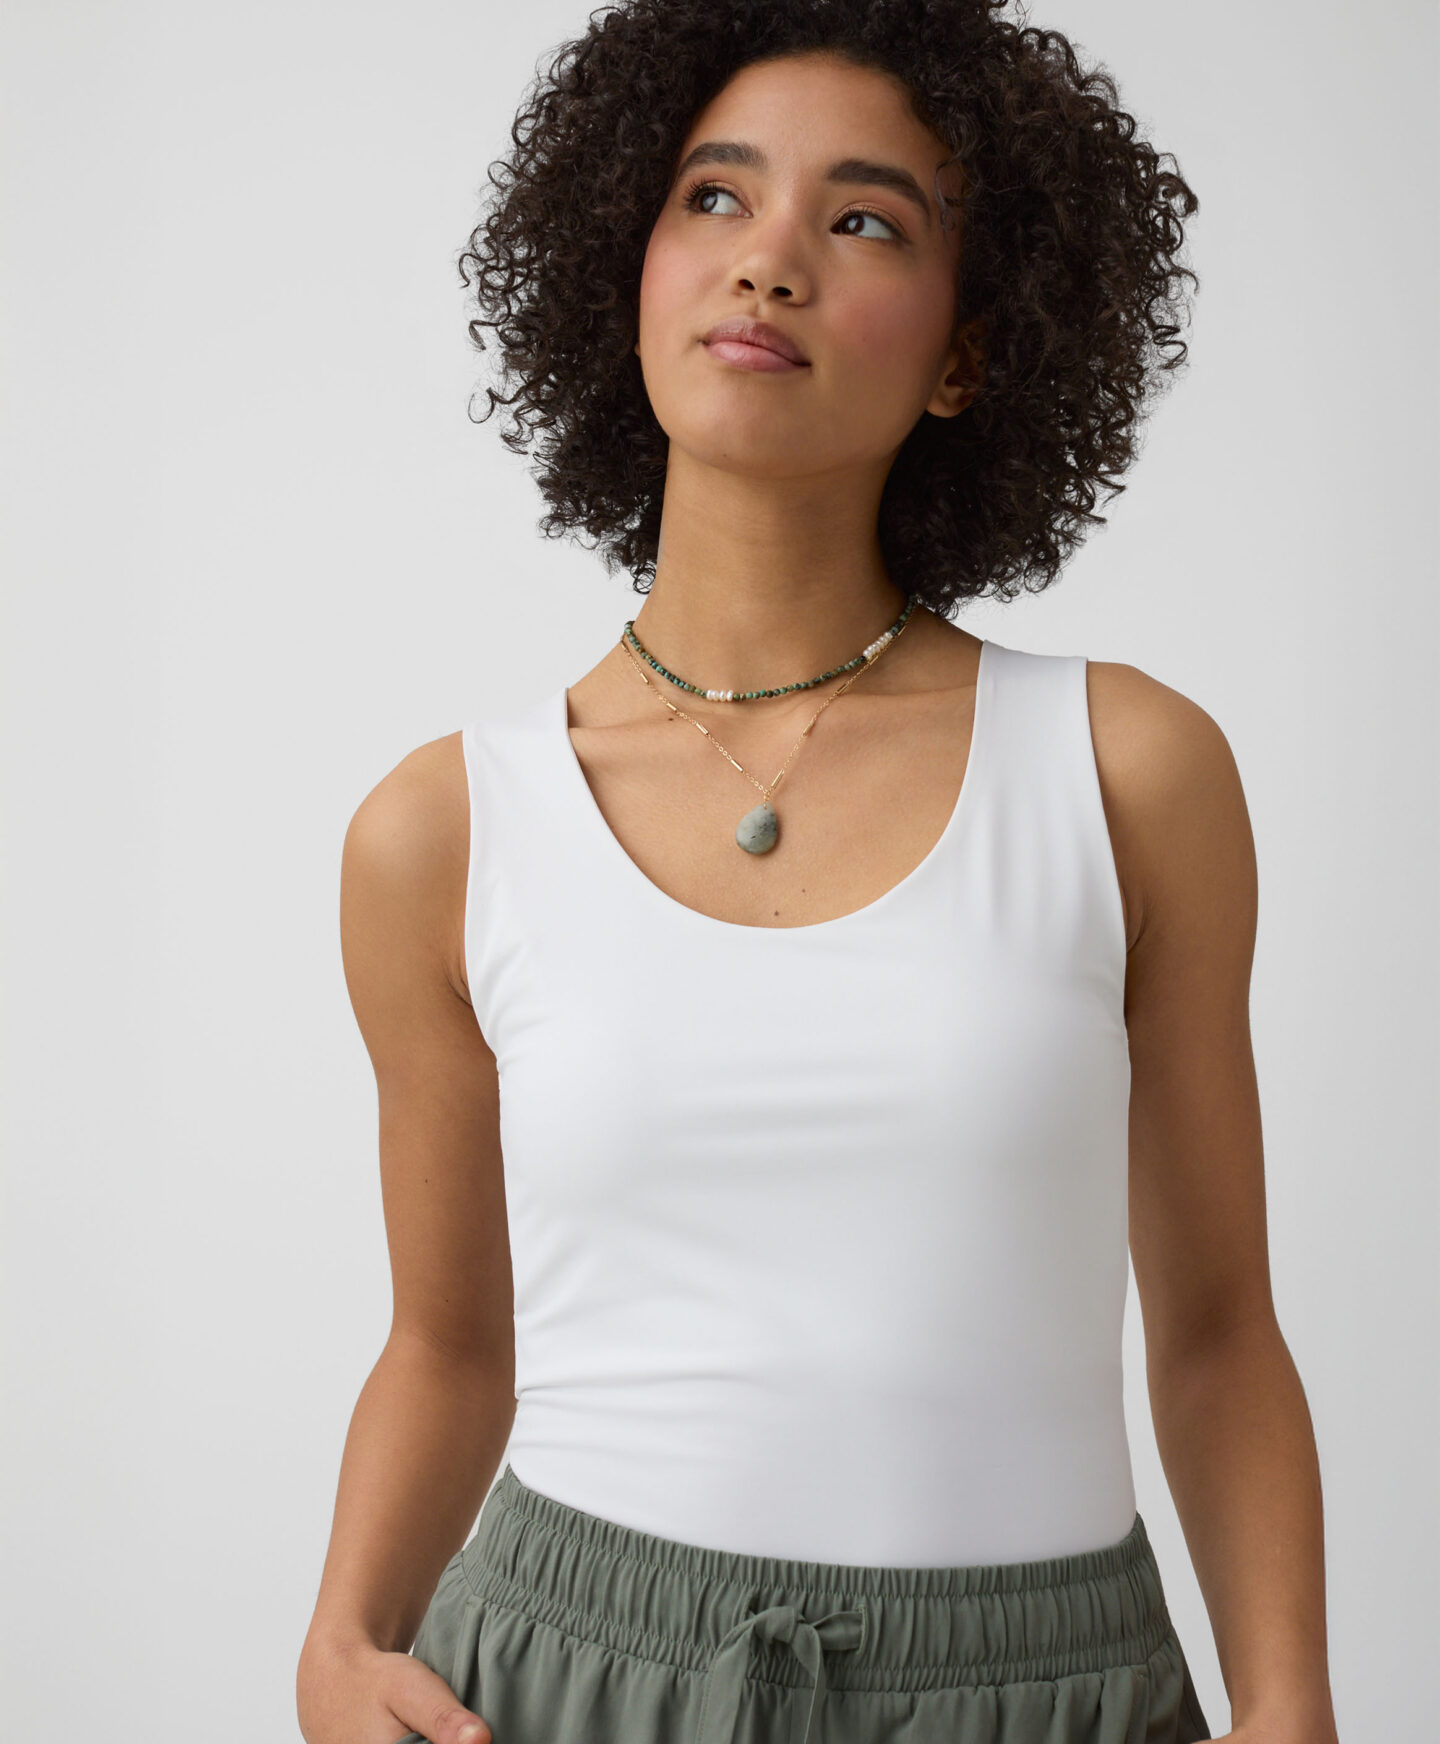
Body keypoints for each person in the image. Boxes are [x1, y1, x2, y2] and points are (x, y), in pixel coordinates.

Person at [296, 3, 1341, 1742]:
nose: (768, 258)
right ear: (625, 271)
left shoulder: (1127, 775)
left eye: (862, 220)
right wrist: (340, 1640)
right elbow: (447, 1345)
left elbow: (1221, 1327)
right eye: (713, 197)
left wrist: (1290, 1701)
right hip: (563, 1677)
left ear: (967, 353)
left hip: (1041, 1694)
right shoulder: (443, 831)